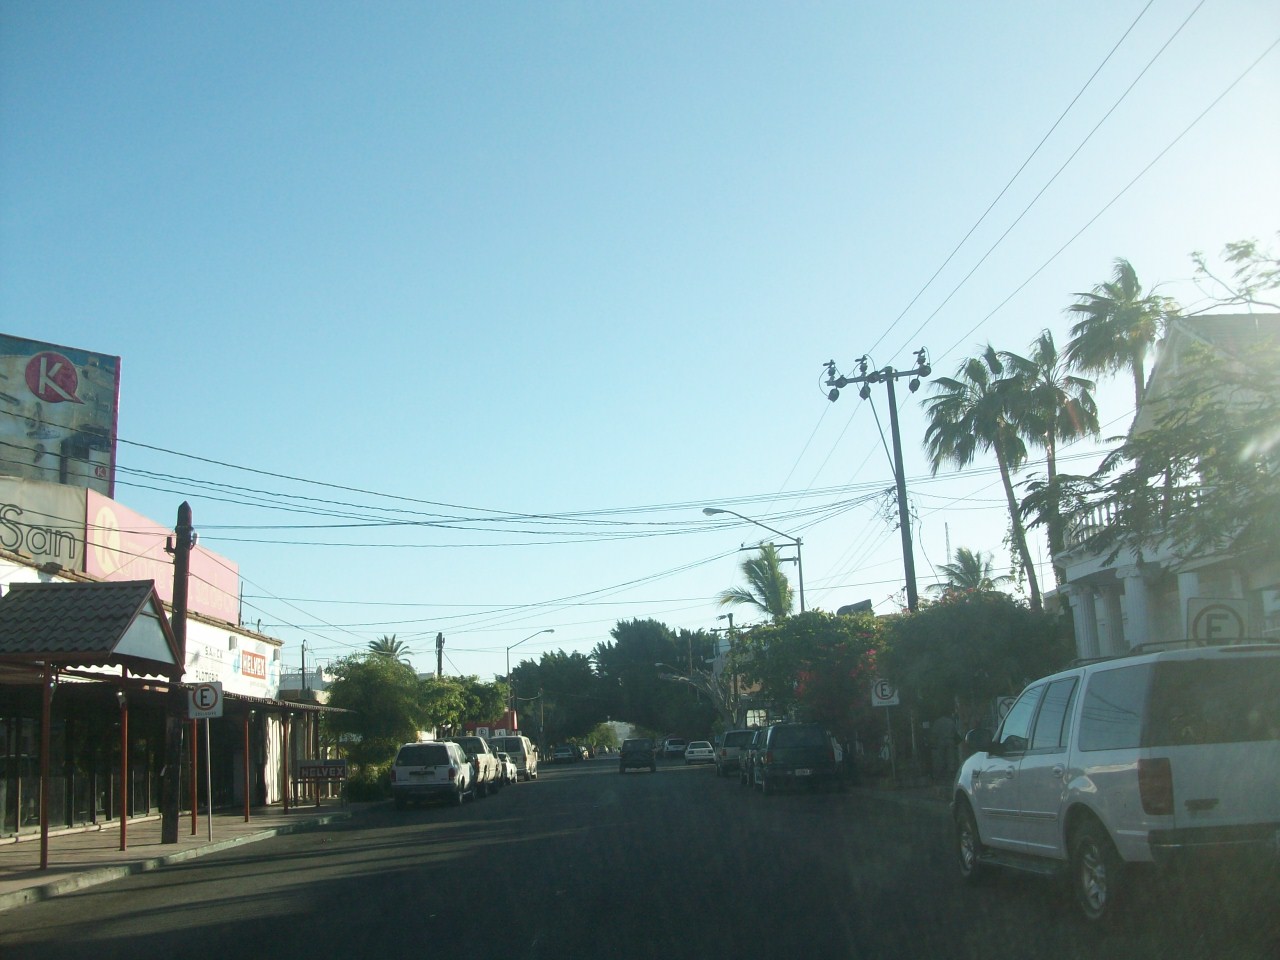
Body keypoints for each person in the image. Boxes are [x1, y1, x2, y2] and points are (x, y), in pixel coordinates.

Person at [931, 713, 959, 783]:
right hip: (950, 740)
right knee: (951, 758)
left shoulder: (937, 722)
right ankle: (951, 775)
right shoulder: (950, 721)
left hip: (941, 741)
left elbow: (934, 733)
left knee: (941, 758)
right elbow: (955, 732)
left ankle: (942, 775)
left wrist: (933, 743)